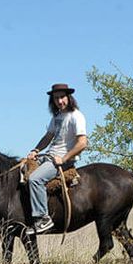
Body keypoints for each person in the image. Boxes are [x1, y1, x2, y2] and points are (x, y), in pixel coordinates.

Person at [24, 83, 88, 234]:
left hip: (62, 160)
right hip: (48, 156)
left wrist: (64, 158)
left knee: (35, 179)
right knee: (21, 169)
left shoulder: (76, 116)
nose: (59, 101)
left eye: (62, 97)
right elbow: (48, 136)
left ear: (68, 97)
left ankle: (43, 218)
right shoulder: (57, 116)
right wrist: (36, 150)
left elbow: (82, 143)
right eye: (56, 98)